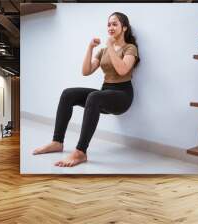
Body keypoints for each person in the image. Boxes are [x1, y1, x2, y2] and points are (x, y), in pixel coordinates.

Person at [32, 12, 140, 167]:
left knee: (94, 96)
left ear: (124, 28)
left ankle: (81, 152)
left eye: (115, 24)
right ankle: (57, 142)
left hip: (122, 96)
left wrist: (110, 46)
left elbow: (123, 70)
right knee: (68, 93)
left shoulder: (130, 48)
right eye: (109, 24)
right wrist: (90, 48)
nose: (110, 27)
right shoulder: (103, 51)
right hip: (106, 92)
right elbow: (86, 71)